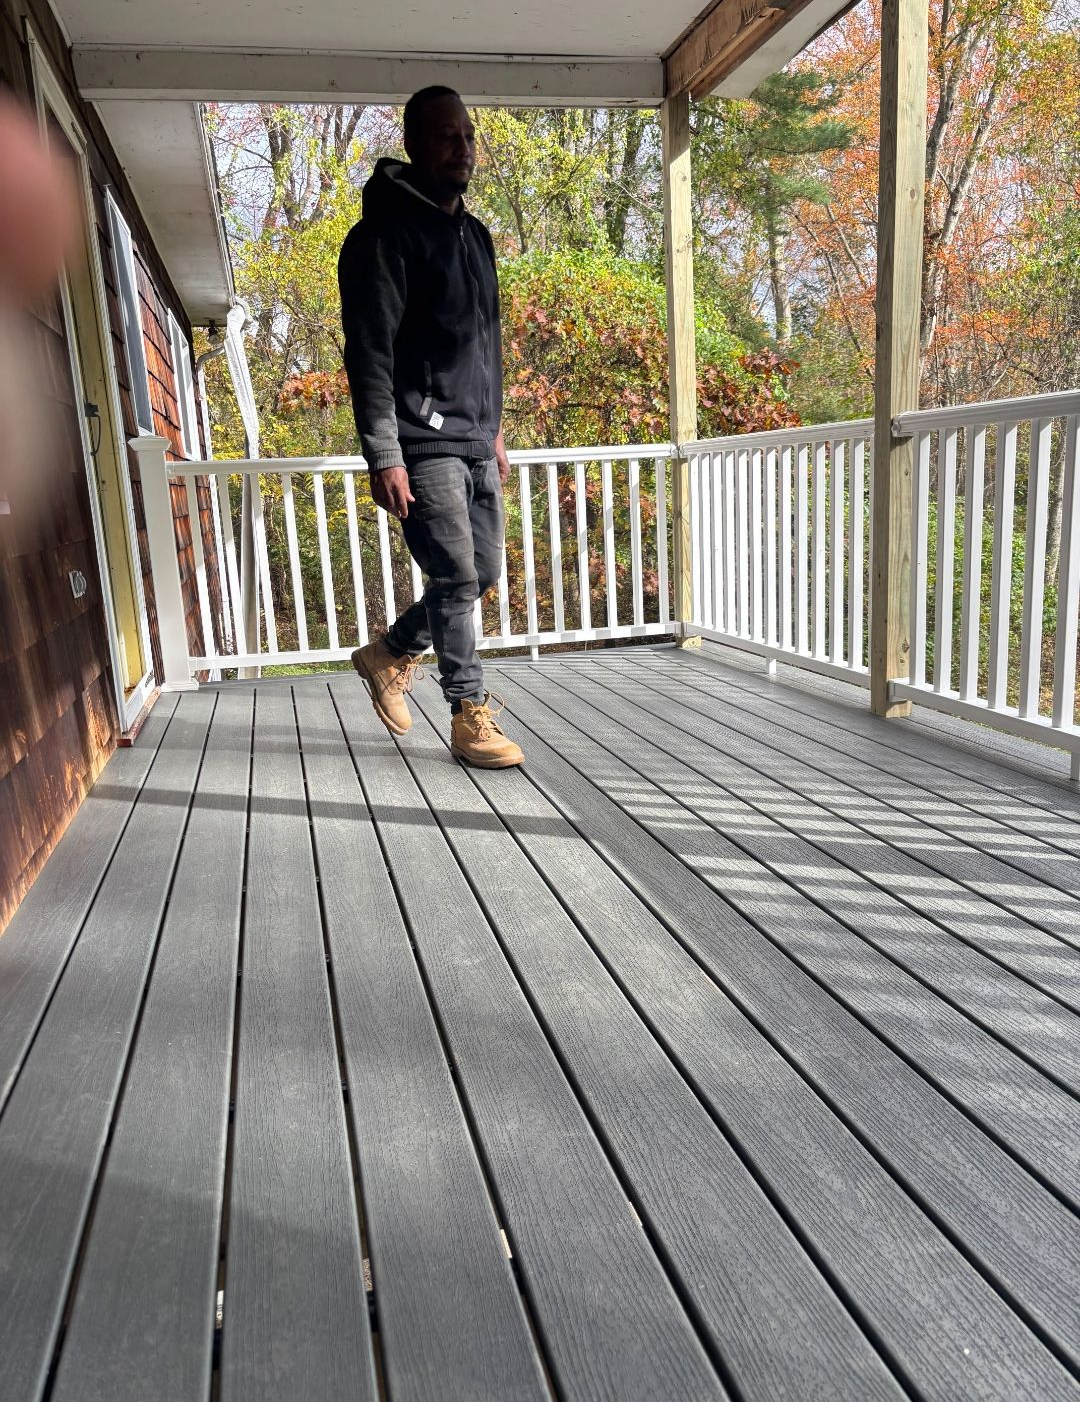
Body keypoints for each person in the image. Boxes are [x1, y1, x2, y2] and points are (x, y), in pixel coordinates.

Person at [338, 86, 524, 768]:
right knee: (454, 577)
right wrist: (383, 452)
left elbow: (488, 341)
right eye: (447, 136)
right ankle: (469, 714)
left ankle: (389, 654)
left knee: (482, 573)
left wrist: (495, 428)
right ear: (414, 143)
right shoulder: (383, 237)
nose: (462, 147)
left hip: (476, 438)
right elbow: (370, 351)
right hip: (420, 443)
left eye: (468, 135)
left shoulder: (473, 236)